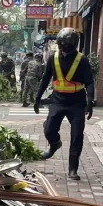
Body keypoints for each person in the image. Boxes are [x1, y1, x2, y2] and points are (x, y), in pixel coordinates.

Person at [34, 27, 94, 180]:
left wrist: (90, 102)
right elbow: (45, 79)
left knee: (76, 136)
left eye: (69, 46)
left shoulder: (82, 60)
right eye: (63, 45)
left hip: (77, 103)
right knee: (48, 130)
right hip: (58, 100)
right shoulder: (53, 58)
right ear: (59, 44)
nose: (65, 49)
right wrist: (37, 98)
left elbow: (89, 82)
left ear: (74, 45)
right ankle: (54, 144)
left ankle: (73, 169)